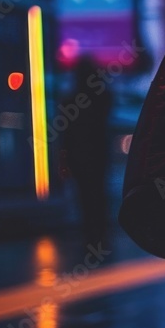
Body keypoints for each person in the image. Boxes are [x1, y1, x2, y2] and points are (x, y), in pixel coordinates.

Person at [60, 56, 113, 248]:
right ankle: (101, 236)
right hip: (98, 154)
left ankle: (90, 236)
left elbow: (66, 133)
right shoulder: (102, 97)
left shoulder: (69, 100)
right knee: (99, 195)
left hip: (79, 156)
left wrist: (64, 160)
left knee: (84, 197)